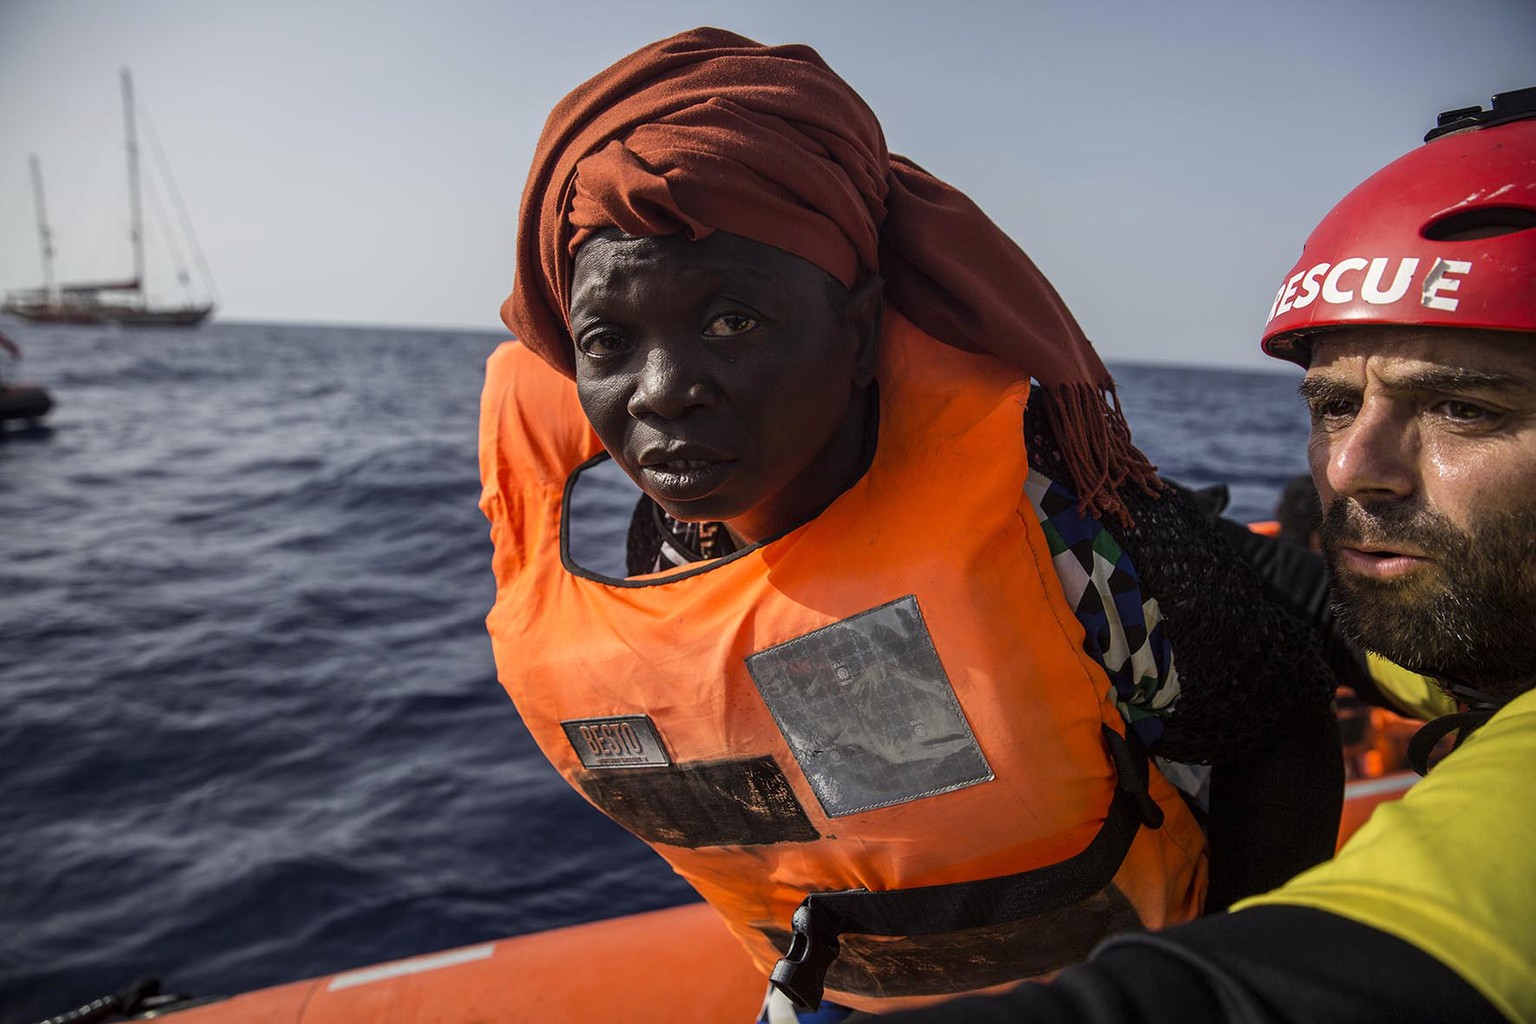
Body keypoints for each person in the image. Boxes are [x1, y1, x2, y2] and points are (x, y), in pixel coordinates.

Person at [478, 28, 1340, 1018]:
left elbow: (1283, 721)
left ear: (854, 331)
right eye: (608, 341)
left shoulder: (1057, 536)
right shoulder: (667, 548)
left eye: (732, 323)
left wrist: (1220, 988)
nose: (663, 392)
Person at [877, 88, 1536, 1023]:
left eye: (1465, 408)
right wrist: (1163, 526)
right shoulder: (1495, 639)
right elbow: (1328, 617)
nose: (1352, 470)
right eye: (1334, 405)